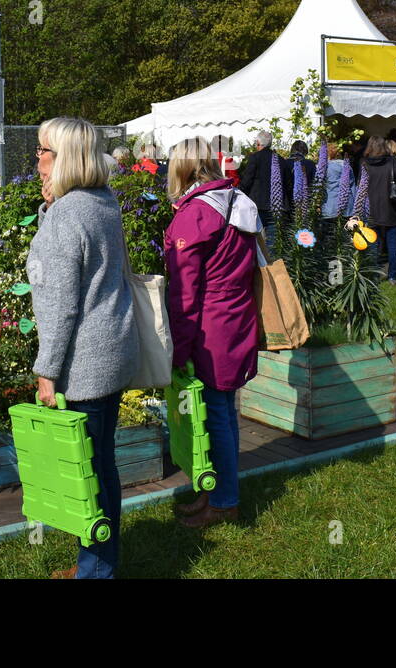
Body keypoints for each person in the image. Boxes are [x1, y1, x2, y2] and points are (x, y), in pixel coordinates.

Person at [27, 116, 138, 579]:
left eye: (43, 152)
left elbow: (60, 304)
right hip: (111, 350)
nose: (36, 161)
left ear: (66, 158)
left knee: (85, 475)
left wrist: (47, 369)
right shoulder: (102, 201)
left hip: (83, 363)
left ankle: (96, 571)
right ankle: (95, 562)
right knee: (102, 467)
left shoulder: (69, 212)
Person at [163, 136, 262, 530]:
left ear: (182, 168)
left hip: (211, 323)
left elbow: (184, 291)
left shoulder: (196, 214)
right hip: (237, 315)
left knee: (217, 415)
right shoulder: (237, 200)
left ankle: (223, 501)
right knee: (224, 412)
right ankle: (218, 491)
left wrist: (178, 346)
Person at [361, 135, 396, 284]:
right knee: (393, 244)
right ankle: (393, 276)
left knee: (373, 245)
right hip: (391, 208)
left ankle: (374, 275)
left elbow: (360, 186)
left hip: (371, 210)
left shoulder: (364, 164)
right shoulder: (393, 162)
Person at [238, 131, 278, 237]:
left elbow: (247, 180)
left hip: (257, 204)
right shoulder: (278, 159)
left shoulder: (255, 158)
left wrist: (238, 193)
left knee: (255, 238)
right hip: (275, 204)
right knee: (272, 241)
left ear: (258, 143)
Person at [280, 139, 317, 215]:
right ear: (305, 151)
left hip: (286, 203)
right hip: (305, 203)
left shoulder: (284, 163)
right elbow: (315, 184)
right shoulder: (310, 164)